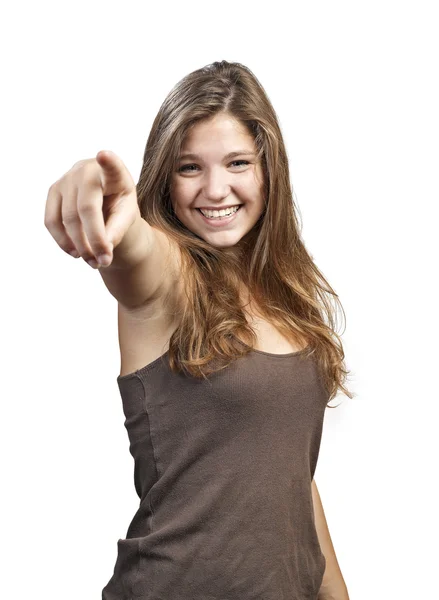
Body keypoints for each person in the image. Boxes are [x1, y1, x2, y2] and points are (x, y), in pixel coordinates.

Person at [45, 60, 352, 600]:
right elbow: (136, 250)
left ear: (268, 170)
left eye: (237, 163)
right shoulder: (168, 281)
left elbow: (292, 475)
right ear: (165, 175)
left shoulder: (288, 296)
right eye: (190, 168)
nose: (215, 189)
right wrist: (101, 192)